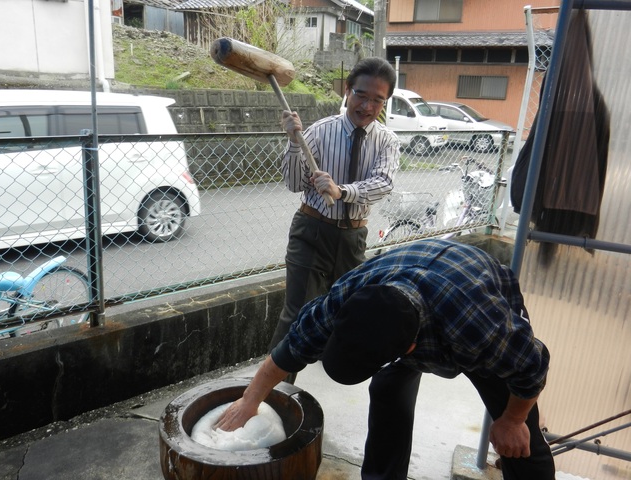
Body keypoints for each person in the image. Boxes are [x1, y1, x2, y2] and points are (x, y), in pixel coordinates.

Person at [216, 239, 556, 480]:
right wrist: (249, 400)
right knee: (387, 391)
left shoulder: (482, 328)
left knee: (521, 438)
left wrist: (512, 420)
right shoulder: (346, 297)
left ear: (408, 350)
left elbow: (532, 366)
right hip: (412, 282)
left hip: (468, 287)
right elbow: (288, 352)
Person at [268, 57, 401, 384]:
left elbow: (383, 183)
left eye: (378, 100)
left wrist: (341, 190)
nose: (368, 105)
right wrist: (293, 143)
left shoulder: (387, 141)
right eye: (361, 95)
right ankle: (274, 392)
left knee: (350, 308)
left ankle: (341, 368)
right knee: (296, 313)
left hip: (353, 238)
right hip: (312, 230)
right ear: (347, 91)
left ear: (385, 102)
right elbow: (295, 184)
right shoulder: (319, 131)